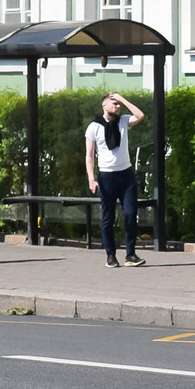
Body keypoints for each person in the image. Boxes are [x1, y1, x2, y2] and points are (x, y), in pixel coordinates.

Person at [85, 92, 146, 268]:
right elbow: (89, 155)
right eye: (113, 103)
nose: (117, 106)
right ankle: (110, 255)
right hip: (107, 176)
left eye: (118, 104)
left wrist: (123, 99)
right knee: (108, 217)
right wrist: (91, 178)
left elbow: (140, 115)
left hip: (126, 175)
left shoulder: (124, 121)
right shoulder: (94, 127)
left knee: (129, 214)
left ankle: (130, 254)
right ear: (104, 106)